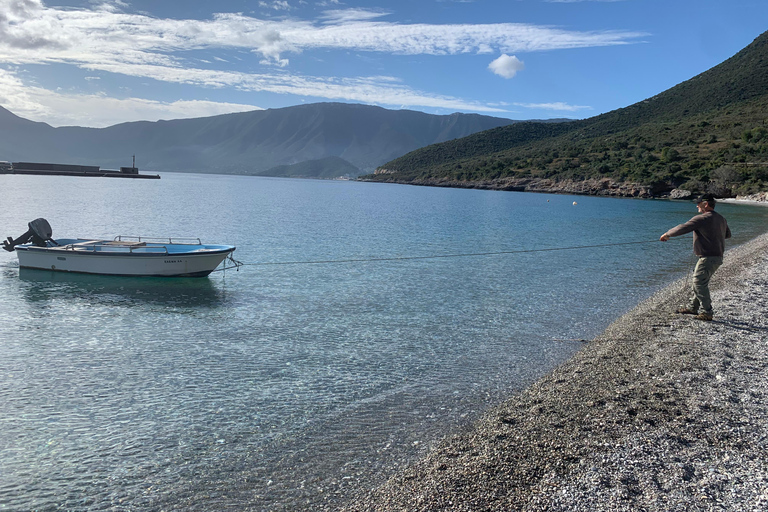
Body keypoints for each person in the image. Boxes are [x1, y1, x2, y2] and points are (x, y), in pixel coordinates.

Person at [660, 193, 731, 321]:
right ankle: (693, 307)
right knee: (700, 282)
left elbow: (683, 228)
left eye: (698, 203)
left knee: (698, 283)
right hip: (717, 257)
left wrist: (667, 234)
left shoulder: (702, 218)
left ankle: (707, 312)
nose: (697, 206)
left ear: (706, 204)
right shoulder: (721, 219)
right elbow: (727, 235)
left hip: (708, 257)